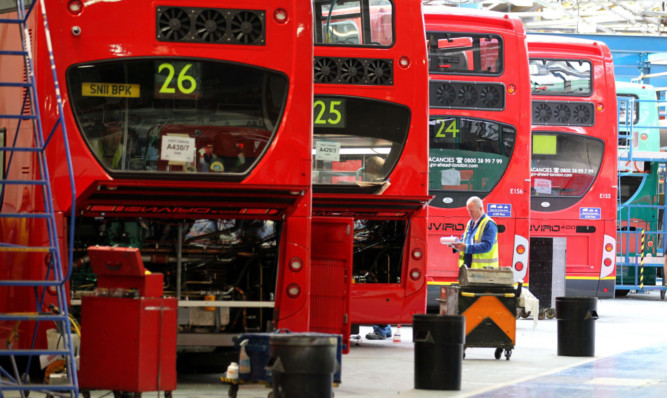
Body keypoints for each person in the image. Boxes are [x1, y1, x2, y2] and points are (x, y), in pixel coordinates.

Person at [451, 196, 499, 269]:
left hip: (484, 271)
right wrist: (455, 245)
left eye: (472, 211)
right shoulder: (470, 223)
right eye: (468, 210)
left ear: (480, 209)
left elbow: (487, 246)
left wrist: (466, 247)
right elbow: (464, 240)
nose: (470, 213)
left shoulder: (489, 224)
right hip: (468, 268)